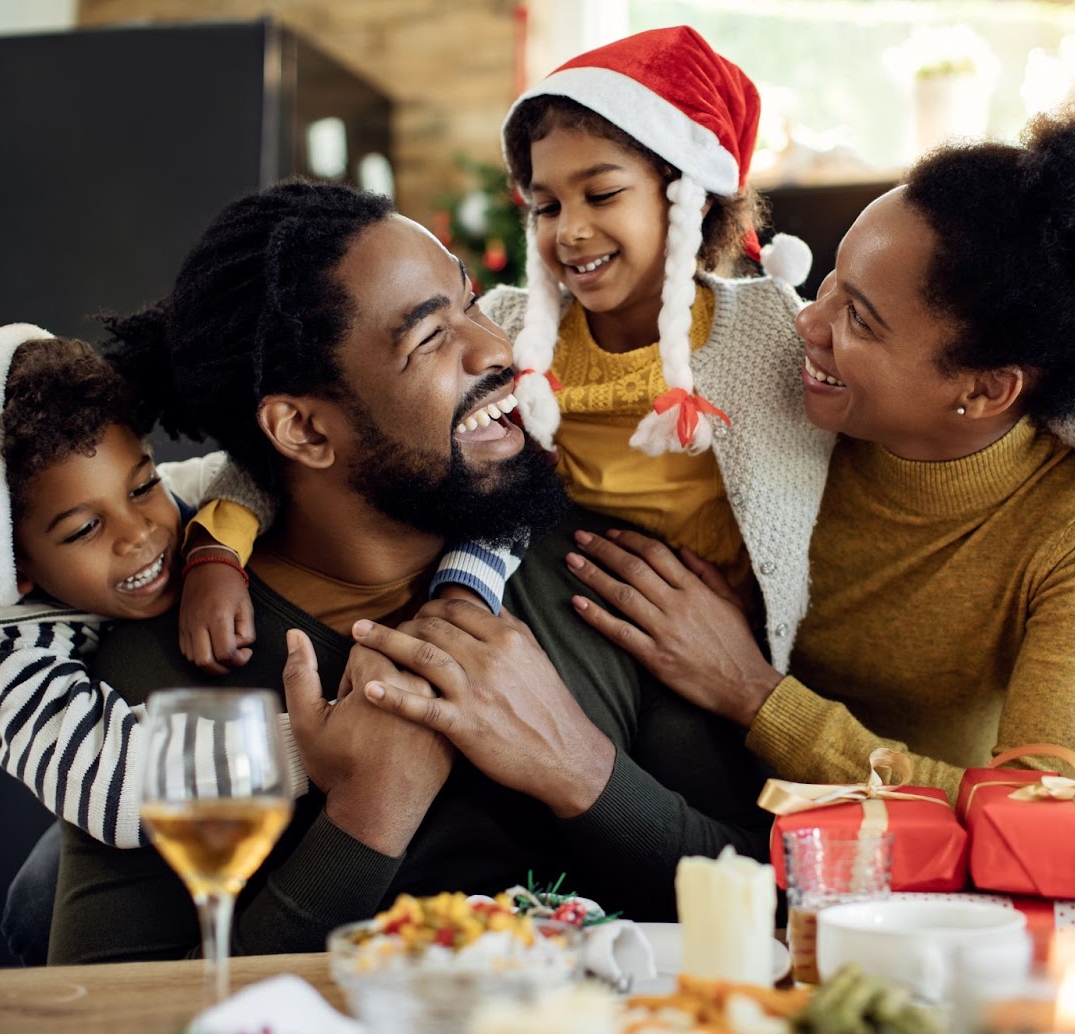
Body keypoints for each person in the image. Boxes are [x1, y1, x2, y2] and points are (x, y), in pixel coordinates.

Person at [45, 178, 773, 964]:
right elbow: (112, 1024)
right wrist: (365, 817)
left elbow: (768, 910)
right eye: (429, 339)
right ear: (302, 429)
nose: (495, 348)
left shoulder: (608, 577)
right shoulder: (160, 670)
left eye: (469, 302)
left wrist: (578, 765)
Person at [478, 25, 1075, 678]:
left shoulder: (753, 326)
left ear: (689, 201)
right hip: (569, 608)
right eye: (545, 206)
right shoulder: (515, 331)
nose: (568, 230)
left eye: (600, 195)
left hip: (720, 649)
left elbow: (1030, 360)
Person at [547, 101, 1075, 798]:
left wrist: (757, 695)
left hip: (916, 875)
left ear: (985, 389)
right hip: (704, 784)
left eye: (859, 318)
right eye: (831, 281)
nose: (808, 322)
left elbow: (1048, 815)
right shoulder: (776, 379)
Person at [0, 329, 519, 851]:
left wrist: (213, 553)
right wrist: (318, 742)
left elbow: (253, 469)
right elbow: (113, 786)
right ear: (13, 561)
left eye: (140, 486)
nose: (140, 531)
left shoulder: (173, 498)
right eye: (85, 528)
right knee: (34, 902)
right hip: (98, 838)